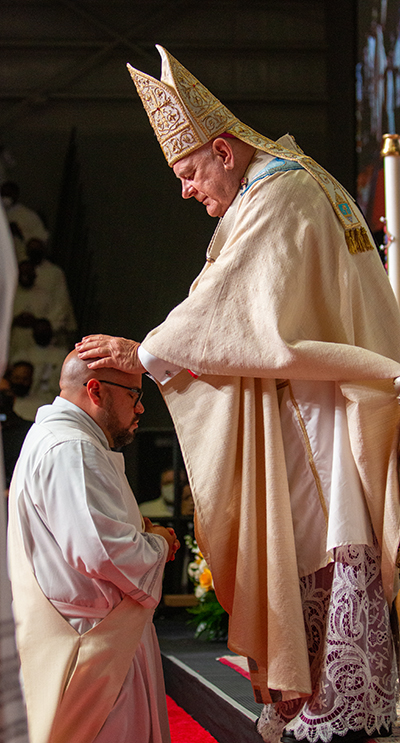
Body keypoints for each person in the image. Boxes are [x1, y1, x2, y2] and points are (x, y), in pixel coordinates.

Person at [76, 46, 400, 743]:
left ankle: (328, 700)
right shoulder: (291, 179)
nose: (186, 191)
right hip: (321, 402)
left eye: (190, 172)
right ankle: (309, 695)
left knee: (324, 538)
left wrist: (145, 351)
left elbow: (224, 308)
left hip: (322, 413)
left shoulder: (278, 193)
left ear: (223, 150)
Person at [7, 349, 180, 743]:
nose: (140, 409)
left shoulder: (61, 438)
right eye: (134, 396)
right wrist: (157, 540)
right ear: (96, 391)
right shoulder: (72, 448)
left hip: (90, 632)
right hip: (90, 640)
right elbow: (103, 552)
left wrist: (136, 530)